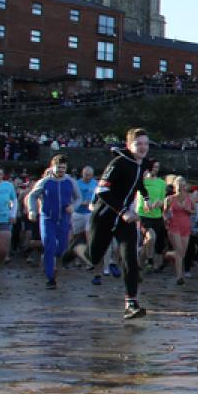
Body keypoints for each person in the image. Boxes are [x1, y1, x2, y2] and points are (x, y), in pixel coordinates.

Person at [74, 128, 152, 319]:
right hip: (105, 216)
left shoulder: (143, 163)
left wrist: (146, 197)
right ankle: (76, 247)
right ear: (129, 145)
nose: (143, 147)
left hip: (126, 220)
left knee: (130, 258)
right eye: (138, 144)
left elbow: (138, 183)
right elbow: (102, 191)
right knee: (93, 258)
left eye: (145, 144)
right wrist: (123, 211)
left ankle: (131, 303)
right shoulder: (118, 163)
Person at [24, 154, 80, 289]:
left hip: (64, 219)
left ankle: (51, 258)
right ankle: (50, 278)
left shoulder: (70, 181)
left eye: (63, 168)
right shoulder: (45, 181)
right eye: (58, 167)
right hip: (48, 218)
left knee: (61, 249)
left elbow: (78, 197)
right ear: (52, 167)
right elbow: (32, 196)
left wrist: (73, 206)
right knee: (49, 246)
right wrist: (32, 211)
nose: (61, 170)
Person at [135, 158, 168, 272]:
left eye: (157, 167)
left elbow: (163, 200)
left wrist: (160, 203)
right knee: (151, 237)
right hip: (143, 215)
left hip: (157, 216)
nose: (155, 169)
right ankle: (150, 260)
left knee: (149, 242)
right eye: (153, 167)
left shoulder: (162, 183)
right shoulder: (141, 181)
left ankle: (139, 264)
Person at [163, 176, 194, 286]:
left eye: (182, 184)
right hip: (174, 225)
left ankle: (168, 254)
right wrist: (166, 220)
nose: (180, 186)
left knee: (182, 253)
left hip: (186, 225)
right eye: (178, 184)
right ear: (174, 186)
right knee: (180, 251)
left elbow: (195, 211)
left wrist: (188, 210)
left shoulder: (190, 198)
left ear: (185, 186)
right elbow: (164, 213)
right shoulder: (169, 199)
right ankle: (179, 277)